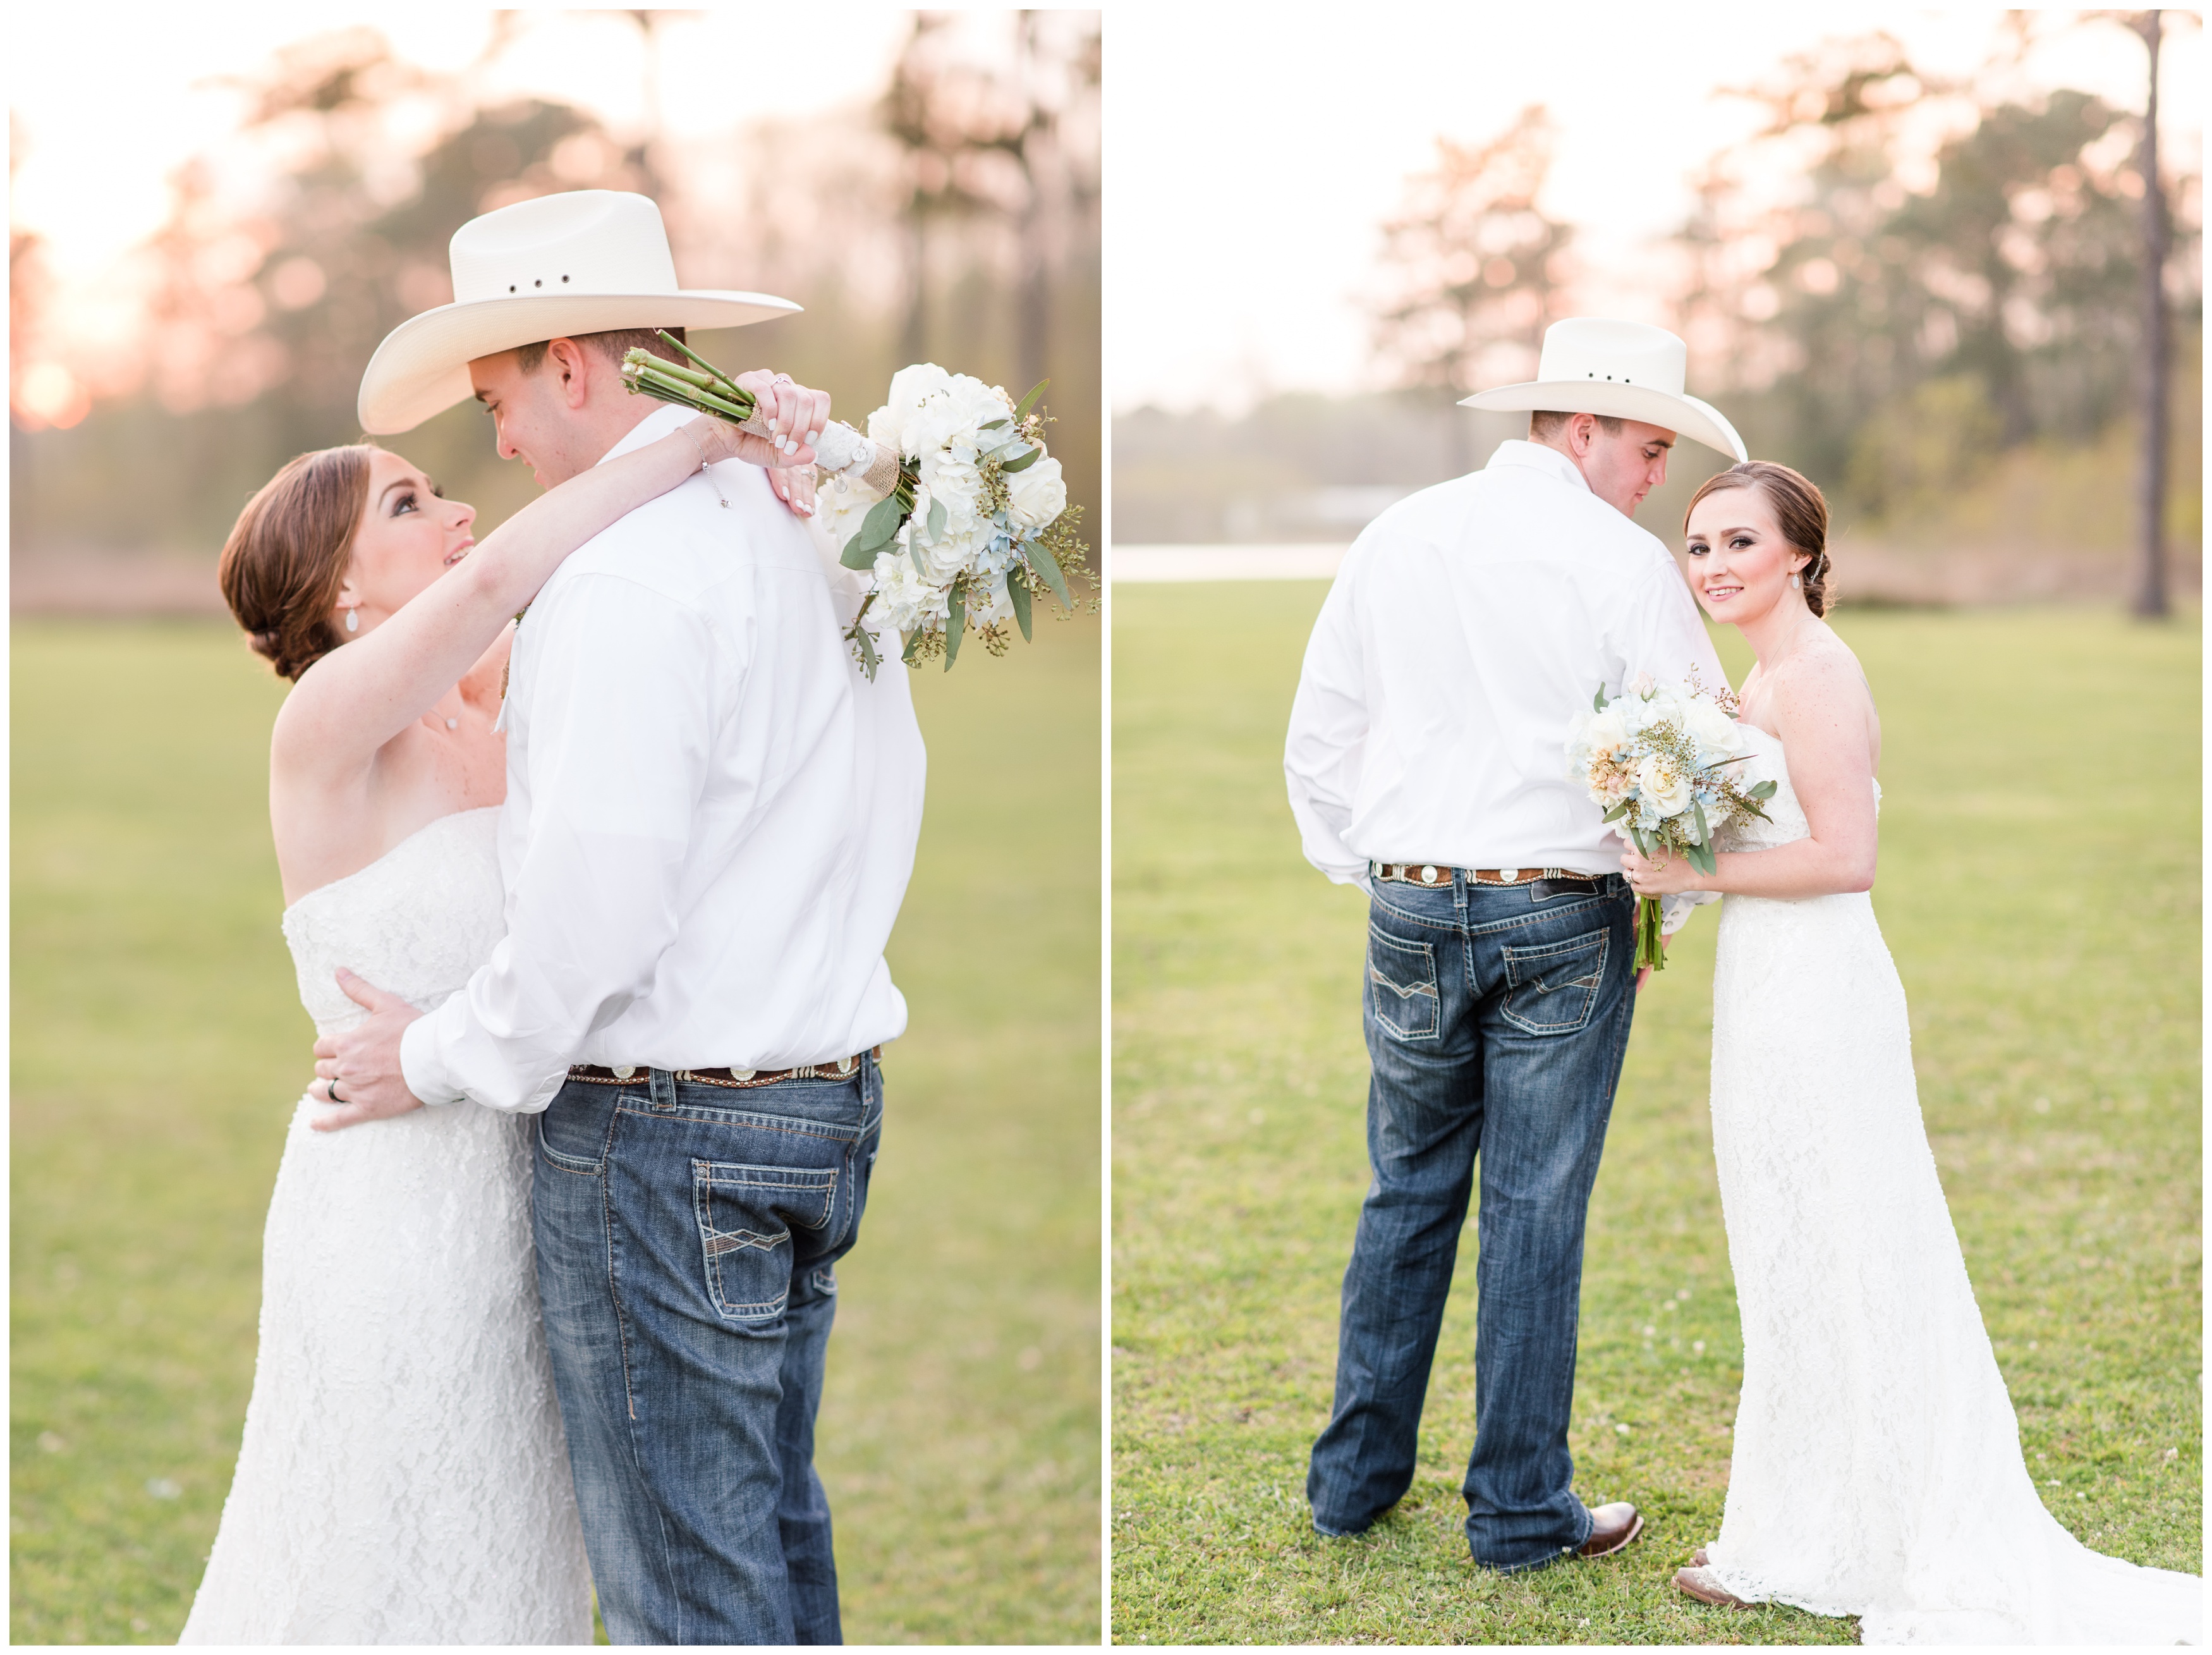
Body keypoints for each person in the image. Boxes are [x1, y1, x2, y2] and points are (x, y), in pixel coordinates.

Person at [309, 188, 928, 1645]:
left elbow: (597, 909)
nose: (502, 446)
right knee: (772, 1541)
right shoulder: (808, 529)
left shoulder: (628, 580)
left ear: (572, 367)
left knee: (688, 1599)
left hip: (668, 1137)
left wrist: (440, 1055)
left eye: (499, 403)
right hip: (821, 1103)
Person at [185, 356, 826, 1637]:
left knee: (514, 1547)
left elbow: (678, 618)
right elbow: (497, 577)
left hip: (533, 1194)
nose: (461, 512)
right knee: (382, 1542)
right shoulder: (323, 731)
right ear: (339, 585)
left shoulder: (499, 702)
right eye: (409, 505)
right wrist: (684, 438)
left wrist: (777, 452)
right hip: (390, 1206)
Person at [1621, 461, 2203, 1644]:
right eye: (1698, 546)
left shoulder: (1822, 675)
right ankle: (1799, 1519)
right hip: (1766, 984)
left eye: (1739, 542)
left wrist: (1690, 871)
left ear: (1799, 553)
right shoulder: (1761, 676)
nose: (1716, 564)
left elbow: (1848, 856)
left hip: (1821, 988)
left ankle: (1857, 1533)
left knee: (1848, 1242)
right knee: (1788, 1244)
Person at [1282, 318, 1746, 1571]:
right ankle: (1519, 1511)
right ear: (1578, 427)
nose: (1657, 478)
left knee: (1405, 1189)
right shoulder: (1624, 563)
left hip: (1411, 900)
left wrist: (1380, 868)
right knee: (1533, 1210)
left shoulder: (1398, 534)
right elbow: (1705, 758)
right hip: (1561, 910)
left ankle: (1351, 1484)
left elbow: (1318, 739)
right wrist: (1670, 901)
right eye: (1648, 448)